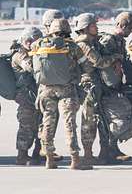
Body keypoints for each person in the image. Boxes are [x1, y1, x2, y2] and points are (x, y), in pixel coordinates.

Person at [32, 18, 87, 169]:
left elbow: (34, 67)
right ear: (67, 30)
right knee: (69, 123)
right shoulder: (72, 46)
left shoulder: (37, 44)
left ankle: (49, 158)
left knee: (47, 122)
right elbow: (86, 66)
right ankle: (75, 159)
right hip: (67, 89)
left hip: (45, 90)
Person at [72, 12, 122, 167]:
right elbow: (99, 62)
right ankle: (87, 154)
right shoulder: (83, 44)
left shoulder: (93, 42)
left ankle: (103, 151)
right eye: (94, 25)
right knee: (89, 120)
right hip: (89, 86)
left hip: (97, 84)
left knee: (100, 119)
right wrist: (115, 57)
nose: (97, 27)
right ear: (86, 27)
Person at [99, 11, 132, 163]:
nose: (131, 31)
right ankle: (105, 151)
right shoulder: (109, 40)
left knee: (114, 118)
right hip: (104, 86)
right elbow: (99, 62)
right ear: (122, 26)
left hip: (115, 83)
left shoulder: (120, 41)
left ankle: (112, 149)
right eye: (130, 28)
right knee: (107, 119)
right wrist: (115, 60)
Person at [10, 26, 43, 166]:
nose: (31, 43)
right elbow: (30, 67)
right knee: (26, 126)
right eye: (28, 40)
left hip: (37, 94)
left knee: (41, 125)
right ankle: (21, 156)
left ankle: (38, 153)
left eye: (34, 40)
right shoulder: (20, 55)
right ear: (23, 40)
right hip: (25, 97)